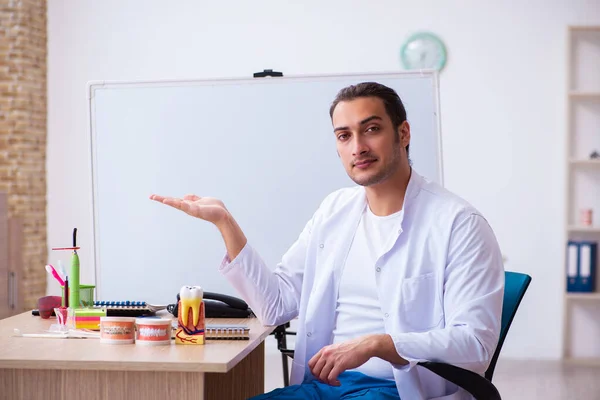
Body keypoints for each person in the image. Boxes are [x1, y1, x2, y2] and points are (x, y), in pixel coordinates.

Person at [150, 82, 505, 400]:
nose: (358, 147)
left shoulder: (459, 224)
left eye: (372, 129)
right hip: (326, 387)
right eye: (344, 135)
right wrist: (226, 224)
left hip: (400, 390)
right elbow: (274, 305)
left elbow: (475, 344)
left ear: (404, 133)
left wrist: (378, 345)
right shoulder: (334, 211)